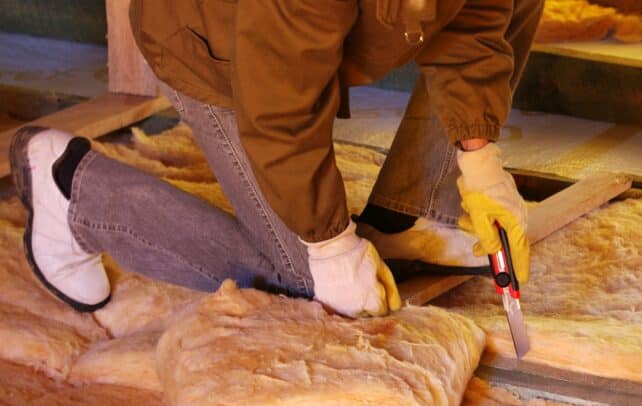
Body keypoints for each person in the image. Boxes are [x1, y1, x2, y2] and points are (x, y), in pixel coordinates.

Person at [10, 0, 539, 317]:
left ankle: (407, 217)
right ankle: (75, 193)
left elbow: (474, 20)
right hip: (217, 51)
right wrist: (331, 247)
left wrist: (479, 159)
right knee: (308, 277)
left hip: (292, 55)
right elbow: (281, 109)